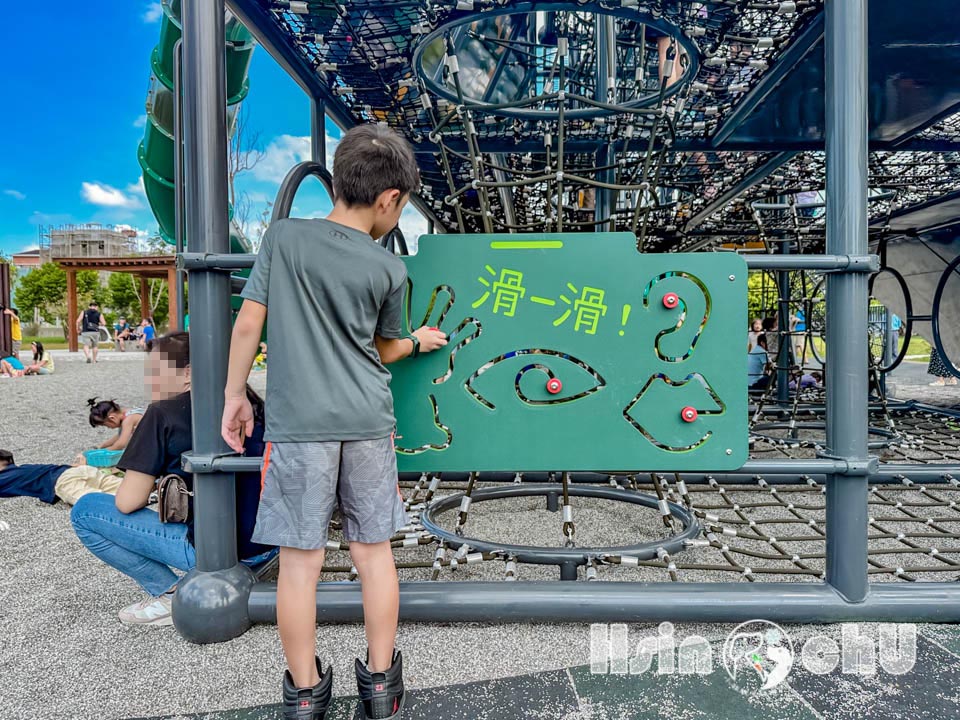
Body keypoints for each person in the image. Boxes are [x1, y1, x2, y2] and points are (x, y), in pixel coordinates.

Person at [221, 124, 448, 720]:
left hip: (299, 428)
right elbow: (388, 348)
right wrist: (421, 341)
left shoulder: (286, 238)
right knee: (374, 554)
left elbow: (248, 324)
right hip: (369, 423)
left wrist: (233, 397)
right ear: (390, 200)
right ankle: (380, 687)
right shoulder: (387, 269)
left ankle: (304, 694)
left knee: (301, 562)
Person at [71, 332, 274, 626]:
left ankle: (169, 592)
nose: (149, 381)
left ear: (188, 373)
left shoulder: (162, 414)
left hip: (221, 553)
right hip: (271, 543)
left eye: (155, 371)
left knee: (85, 511)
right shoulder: (249, 403)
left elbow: (128, 502)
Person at [0, 449, 123, 506]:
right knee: (125, 489)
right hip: (79, 470)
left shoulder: (5, 477)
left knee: (96, 502)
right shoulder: (25, 468)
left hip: (63, 481)